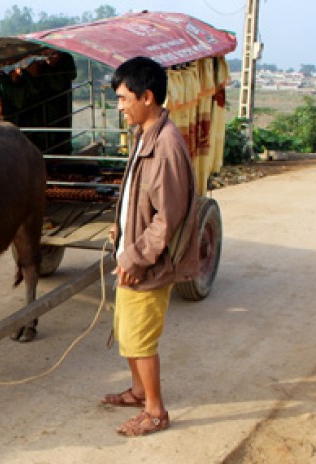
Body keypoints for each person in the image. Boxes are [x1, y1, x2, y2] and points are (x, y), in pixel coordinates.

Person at [103, 56, 200, 437]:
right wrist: (122, 233)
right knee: (127, 330)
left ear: (147, 96)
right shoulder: (146, 134)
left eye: (125, 98)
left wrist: (135, 255)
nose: (120, 106)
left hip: (147, 263)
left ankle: (156, 411)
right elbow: (140, 201)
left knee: (140, 336)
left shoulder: (166, 144)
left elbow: (167, 217)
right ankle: (139, 391)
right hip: (132, 254)